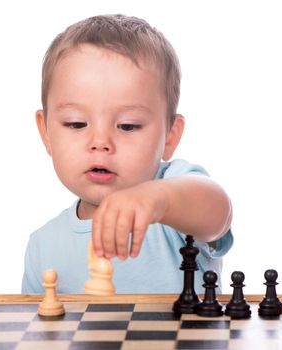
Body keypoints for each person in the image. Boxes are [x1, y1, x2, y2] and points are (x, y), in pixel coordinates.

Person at [21, 14, 234, 294]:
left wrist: (159, 200)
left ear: (170, 135)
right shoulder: (43, 246)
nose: (100, 142)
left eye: (127, 125)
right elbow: (36, 334)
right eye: (76, 123)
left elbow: (217, 214)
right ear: (46, 131)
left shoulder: (174, 196)